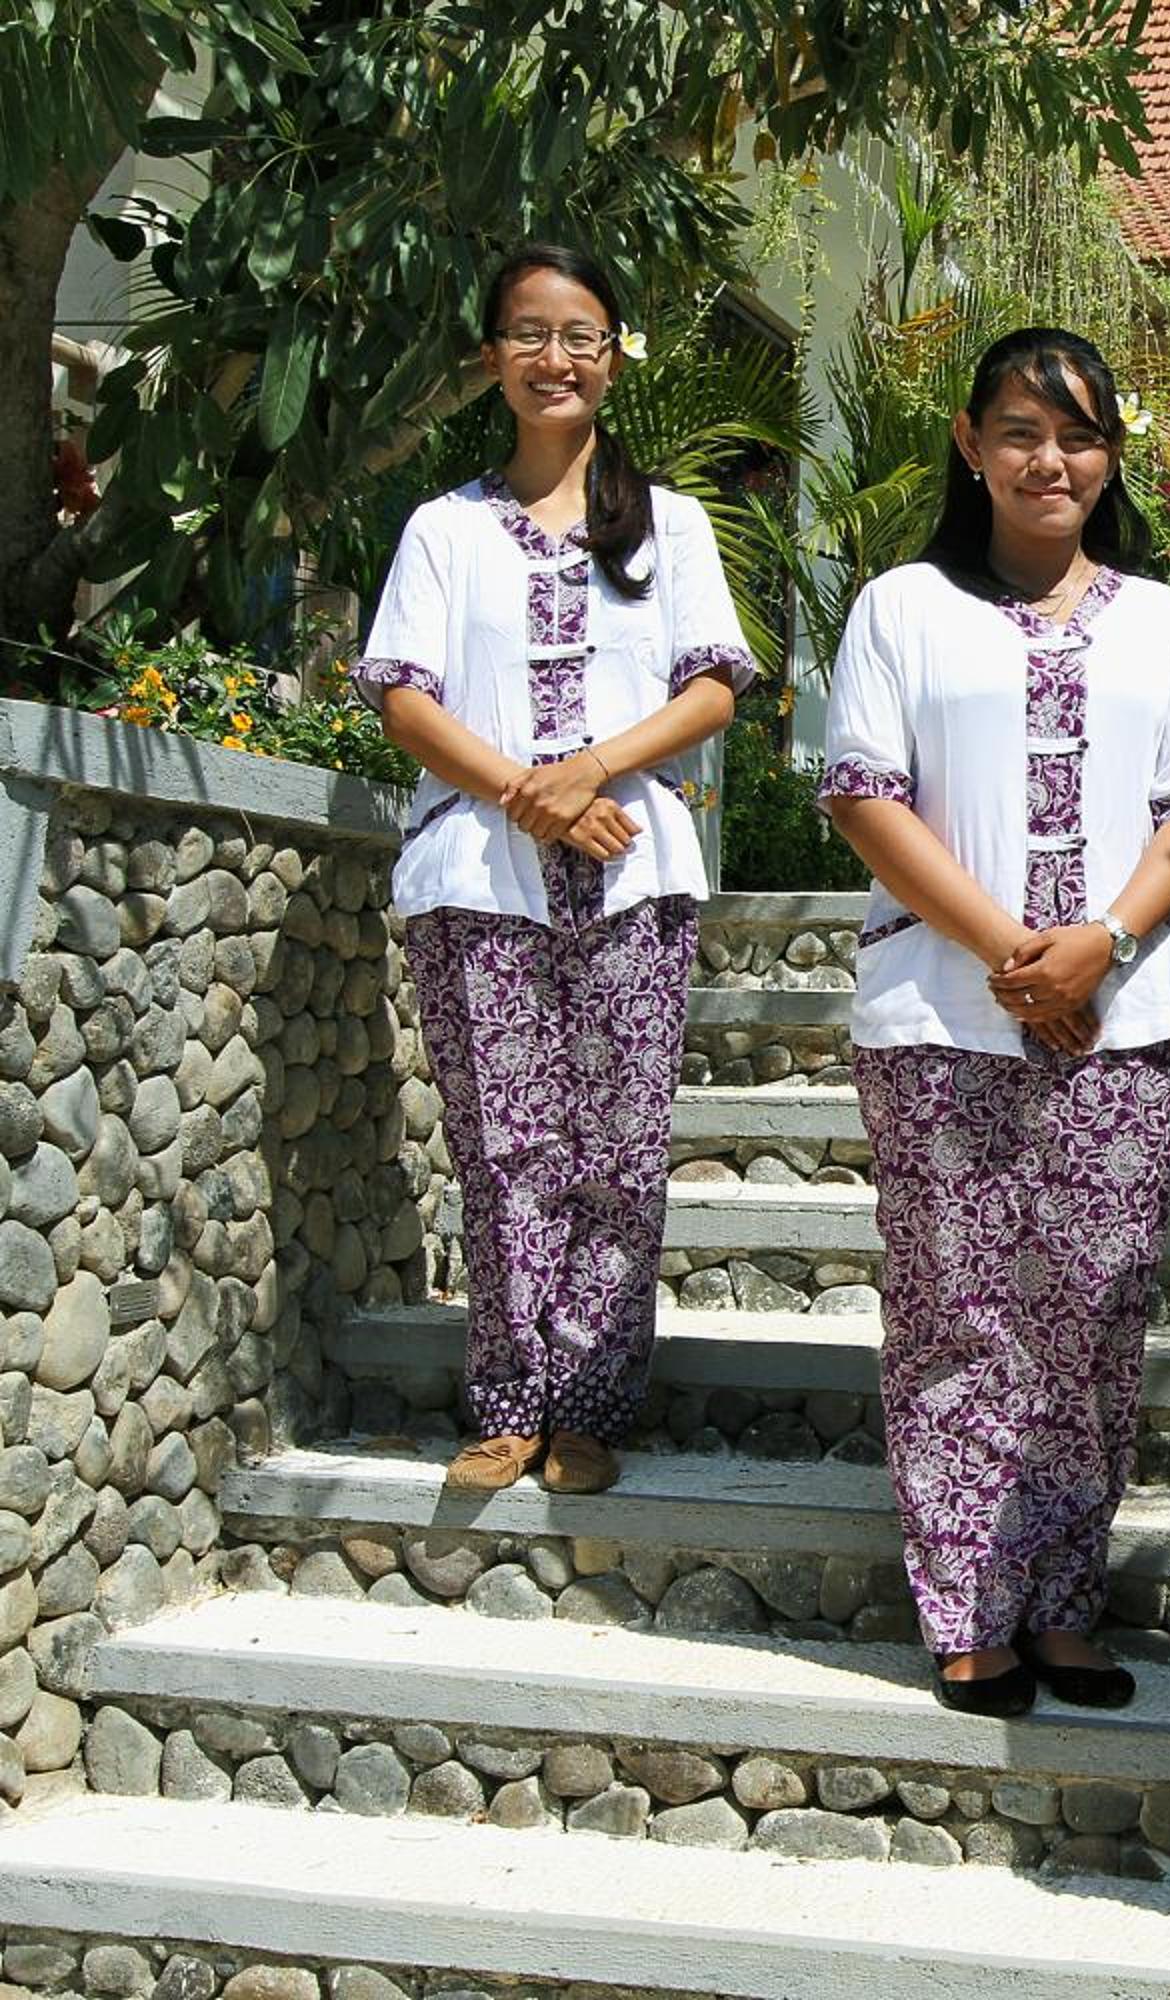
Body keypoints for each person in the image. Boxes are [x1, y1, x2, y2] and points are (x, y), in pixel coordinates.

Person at [818, 327, 1170, 1718]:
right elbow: (866, 794)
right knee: (955, 1309)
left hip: (1125, 1024)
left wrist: (1101, 944)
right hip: (939, 1020)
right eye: (1018, 430)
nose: (1047, 459)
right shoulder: (901, 608)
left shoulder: (1168, 625)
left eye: (1075, 434)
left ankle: (1063, 1603)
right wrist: (1015, 952)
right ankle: (966, 1609)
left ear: (1110, 454)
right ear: (971, 443)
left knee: (1093, 1316)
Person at [355, 243, 754, 1497]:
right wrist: (528, 795)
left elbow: (712, 687)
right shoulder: (444, 529)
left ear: (615, 356)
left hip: (633, 874)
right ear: (492, 358)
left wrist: (587, 772)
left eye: (580, 335)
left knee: (621, 1150)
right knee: (503, 1148)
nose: (554, 357)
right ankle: (509, 1402)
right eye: (528, 333)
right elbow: (403, 697)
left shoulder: (669, 524)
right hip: (478, 881)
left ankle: (589, 1403)